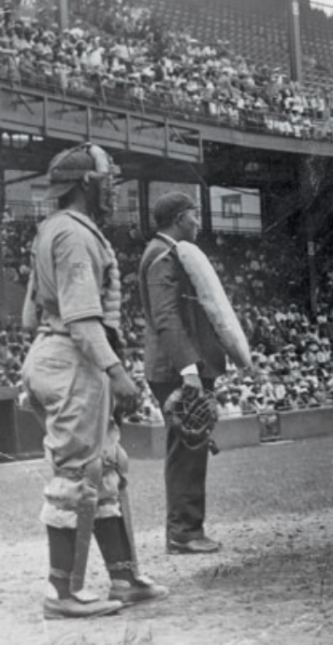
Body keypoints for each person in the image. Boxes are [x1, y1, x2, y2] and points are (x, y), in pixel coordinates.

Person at [19, 143, 168, 619]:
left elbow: (28, 316)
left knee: (105, 466)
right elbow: (84, 321)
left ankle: (123, 577)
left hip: (55, 350)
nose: (113, 187)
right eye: (108, 179)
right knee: (77, 474)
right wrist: (116, 371)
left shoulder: (52, 229)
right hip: (75, 357)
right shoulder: (77, 236)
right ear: (87, 183)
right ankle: (61, 592)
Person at [139, 192, 226, 554]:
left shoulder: (169, 252)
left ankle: (187, 529)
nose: (198, 220)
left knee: (191, 445)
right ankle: (184, 532)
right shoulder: (163, 255)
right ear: (178, 217)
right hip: (177, 369)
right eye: (194, 213)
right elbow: (166, 317)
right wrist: (189, 370)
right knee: (187, 447)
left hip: (181, 366)